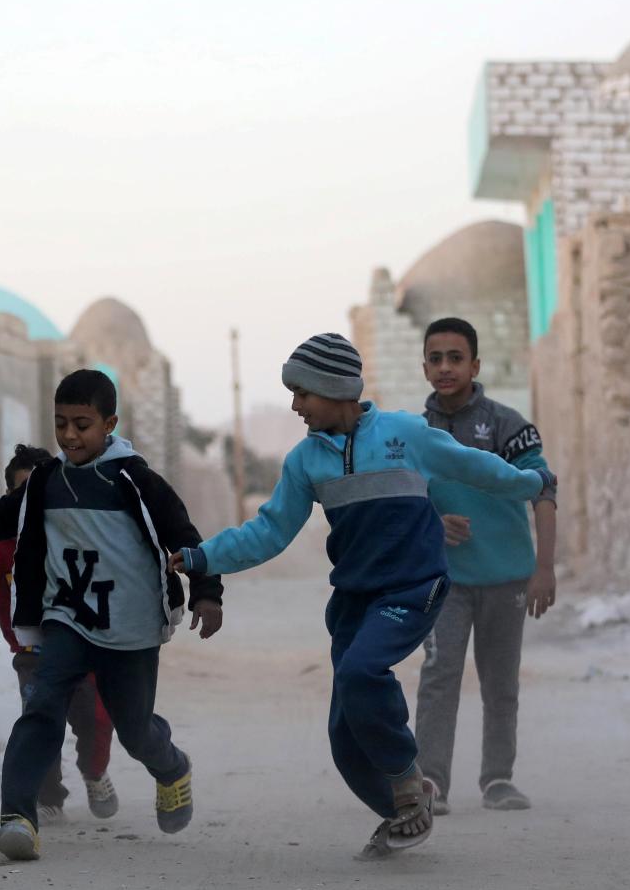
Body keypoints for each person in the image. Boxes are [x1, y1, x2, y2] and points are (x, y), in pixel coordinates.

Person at [170, 333, 553, 859]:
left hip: (415, 586)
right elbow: (268, 533)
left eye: (303, 392)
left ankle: (407, 780)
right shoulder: (306, 462)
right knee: (345, 737)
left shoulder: (405, 434)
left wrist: (530, 483)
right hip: (354, 599)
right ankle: (405, 813)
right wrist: (201, 558)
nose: (295, 405)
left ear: (337, 389)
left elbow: (474, 466)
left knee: (360, 673)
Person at [0, 369, 223, 861]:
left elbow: (183, 535)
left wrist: (207, 592)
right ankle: (17, 814)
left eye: (83, 424)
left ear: (109, 423)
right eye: (61, 424)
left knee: (134, 728)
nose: (70, 435)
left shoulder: (133, 480)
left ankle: (171, 767)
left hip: (130, 627)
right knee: (42, 707)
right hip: (66, 621)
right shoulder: (46, 483)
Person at [413, 317, 557, 815]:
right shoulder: (414, 434)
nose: (446, 367)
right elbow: (400, 503)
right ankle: (430, 780)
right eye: (436, 358)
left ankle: (498, 779)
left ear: (475, 364)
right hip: (444, 580)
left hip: (507, 577)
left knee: (500, 682)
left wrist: (545, 568)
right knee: (439, 673)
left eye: (456, 358)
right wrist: (433, 523)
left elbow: (544, 491)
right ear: (425, 366)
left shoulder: (506, 426)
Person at [0, 444, 119, 823]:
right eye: (20, 492)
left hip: (83, 647)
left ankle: (94, 770)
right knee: (42, 722)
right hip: (32, 654)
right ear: (8, 499)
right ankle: (48, 796)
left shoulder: (79, 536)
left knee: (96, 719)